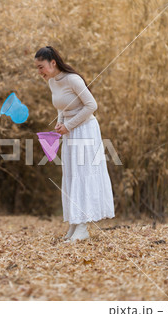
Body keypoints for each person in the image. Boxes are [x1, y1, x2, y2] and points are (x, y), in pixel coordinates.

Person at [34, 46, 115, 242]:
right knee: (71, 175)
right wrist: (60, 121)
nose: (40, 72)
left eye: (41, 67)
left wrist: (68, 125)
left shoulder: (73, 79)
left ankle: (83, 227)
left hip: (85, 130)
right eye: (37, 68)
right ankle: (75, 223)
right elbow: (63, 106)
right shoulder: (52, 81)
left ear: (53, 63)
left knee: (82, 173)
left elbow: (91, 106)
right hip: (70, 132)